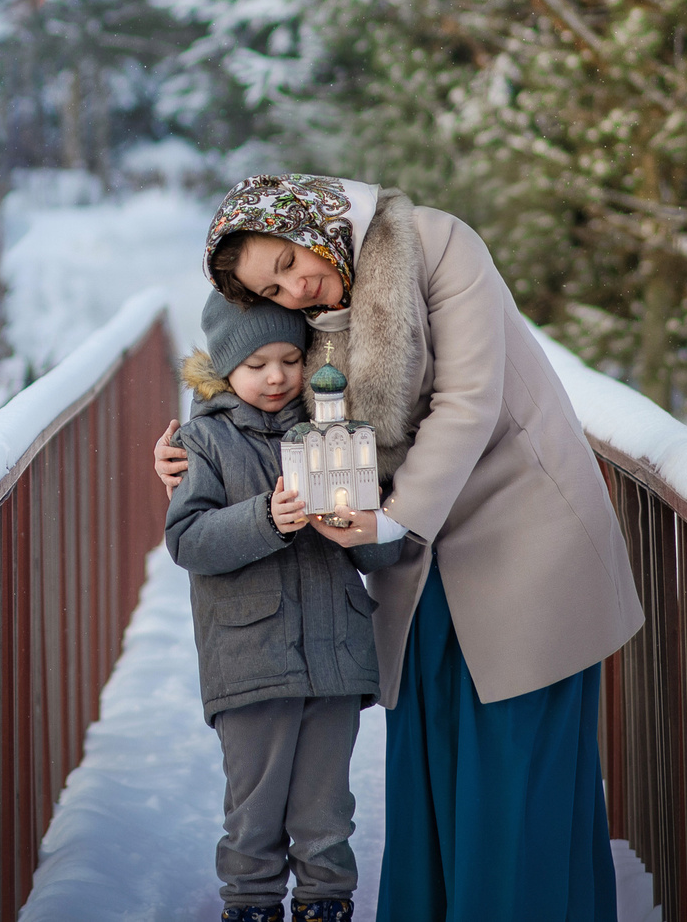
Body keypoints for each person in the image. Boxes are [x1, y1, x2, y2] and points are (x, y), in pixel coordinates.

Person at [155, 175, 643, 922]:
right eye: (271, 286)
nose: (292, 287)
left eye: (287, 260)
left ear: (312, 217)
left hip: (518, 538)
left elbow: (467, 399)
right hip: (420, 561)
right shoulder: (314, 309)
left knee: (512, 779)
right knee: (436, 768)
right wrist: (194, 444)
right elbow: (260, 369)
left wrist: (396, 519)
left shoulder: (439, 244)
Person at [168, 294, 404, 922]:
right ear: (223, 371)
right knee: (255, 807)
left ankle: (326, 902)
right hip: (251, 657)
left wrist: (371, 523)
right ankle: (250, 904)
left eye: (290, 359)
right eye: (255, 364)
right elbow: (188, 540)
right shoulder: (205, 441)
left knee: (326, 808)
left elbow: (382, 555)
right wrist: (264, 518)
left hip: (335, 658)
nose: (276, 377)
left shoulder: (342, 434)